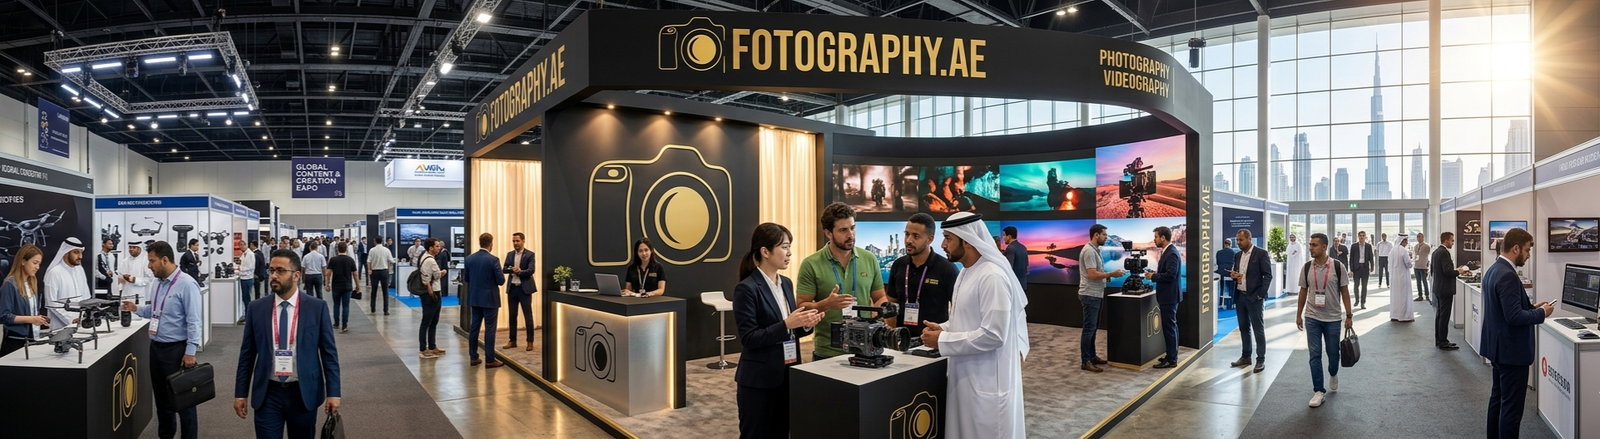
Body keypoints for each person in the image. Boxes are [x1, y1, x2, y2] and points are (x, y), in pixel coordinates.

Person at [919, 212, 1029, 438]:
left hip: (987, 380)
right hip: (966, 374)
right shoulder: (967, 272)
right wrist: (944, 329)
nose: (943, 244)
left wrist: (943, 340)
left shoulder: (992, 276)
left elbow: (994, 334)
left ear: (966, 240)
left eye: (948, 238)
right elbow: (966, 319)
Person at [233, 248, 342, 438]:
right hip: (268, 392)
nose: (274, 275)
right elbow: (247, 355)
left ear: (296, 275)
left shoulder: (317, 308)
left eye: (280, 271)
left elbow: (329, 355)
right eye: (271, 270)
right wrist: (240, 393)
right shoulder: (256, 308)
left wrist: (334, 393)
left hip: (303, 392)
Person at [732, 223, 823, 439]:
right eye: (784, 246)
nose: (789, 252)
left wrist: (807, 323)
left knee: (782, 433)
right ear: (765, 251)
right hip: (758, 381)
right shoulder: (747, 288)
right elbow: (749, 338)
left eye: (790, 246)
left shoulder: (786, 284)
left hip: (788, 374)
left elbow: (790, 332)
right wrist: (787, 324)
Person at [120, 241, 204, 439]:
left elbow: (194, 321)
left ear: (165, 260)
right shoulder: (158, 282)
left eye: (152, 261)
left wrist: (190, 351)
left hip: (177, 351)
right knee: (162, 402)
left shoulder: (187, 284)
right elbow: (154, 311)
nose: (149, 265)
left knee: (184, 402)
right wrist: (136, 309)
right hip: (156, 349)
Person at [1480, 228, 1551, 437]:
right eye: (1528, 250)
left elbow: (1508, 310)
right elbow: (1513, 317)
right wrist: (1541, 313)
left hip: (1499, 349)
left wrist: (1532, 307)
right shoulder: (1508, 275)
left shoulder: (1494, 269)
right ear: (1516, 248)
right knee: (1511, 409)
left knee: (1498, 400)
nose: (1529, 255)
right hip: (1511, 352)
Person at [796, 202, 883, 360]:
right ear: (828, 233)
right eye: (843, 230)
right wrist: (827, 304)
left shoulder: (869, 258)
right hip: (828, 351)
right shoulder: (811, 264)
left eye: (853, 228)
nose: (851, 235)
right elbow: (802, 307)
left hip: (864, 350)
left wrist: (880, 316)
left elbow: (880, 297)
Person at [1294, 233, 1354, 408]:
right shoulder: (1306, 267)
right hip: (1312, 317)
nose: (1310, 248)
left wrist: (1349, 316)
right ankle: (1319, 390)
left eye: (1314, 245)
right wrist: (1299, 314)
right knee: (1314, 354)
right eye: (1310, 244)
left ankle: (1333, 373)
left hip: (1333, 318)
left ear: (1324, 247)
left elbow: (1344, 292)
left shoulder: (1337, 266)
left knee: (1333, 353)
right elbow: (1303, 292)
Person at [886, 213, 958, 340]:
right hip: (901, 342)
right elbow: (891, 305)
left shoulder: (947, 269)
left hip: (933, 343)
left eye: (916, 236)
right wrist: (890, 337)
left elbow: (958, 311)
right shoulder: (899, 265)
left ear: (930, 239)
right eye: (907, 234)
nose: (908, 240)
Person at [1078, 224, 1126, 372]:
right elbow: (1092, 274)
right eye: (1104, 234)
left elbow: (1096, 273)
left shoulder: (1095, 250)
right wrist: (1110, 274)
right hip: (1090, 294)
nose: (1106, 237)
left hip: (1096, 293)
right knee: (1089, 329)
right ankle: (1086, 361)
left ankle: (1092, 356)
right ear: (1096, 235)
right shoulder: (1089, 252)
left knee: (1093, 328)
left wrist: (1106, 278)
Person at [1230, 229, 1273, 373]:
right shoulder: (1237, 255)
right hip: (1240, 296)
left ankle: (1260, 360)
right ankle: (1246, 356)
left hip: (1254, 297)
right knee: (1243, 328)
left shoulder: (1261, 254)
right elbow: (1237, 272)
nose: (1238, 242)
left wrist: (1261, 294)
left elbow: (1268, 275)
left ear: (1249, 239)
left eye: (1241, 240)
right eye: (1237, 240)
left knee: (1258, 330)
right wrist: (1234, 275)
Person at [463, 233, 505, 368]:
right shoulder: (493, 260)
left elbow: (467, 279)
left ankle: (473, 357)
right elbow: (501, 280)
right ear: (491, 244)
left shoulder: (469, 259)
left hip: (475, 298)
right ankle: (490, 360)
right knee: (490, 329)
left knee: (474, 328)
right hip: (490, 299)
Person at [1, 244, 47, 356]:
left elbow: (30, 312)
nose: (37, 267)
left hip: (31, 339)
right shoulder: (9, 284)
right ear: (23, 262)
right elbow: (4, 316)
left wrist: (39, 319)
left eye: (39, 264)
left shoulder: (32, 283)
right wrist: (31, 319)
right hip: (15, 342)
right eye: (35, 263)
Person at [1147, 226, 1183, 368]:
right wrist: (1154, 273)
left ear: (1163, 238)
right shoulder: (1168, 251)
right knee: (1171, 327)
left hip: (1169, 297)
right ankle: (1171, 355)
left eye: (1156, 237)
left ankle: (1172, 359)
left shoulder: (1171, 253)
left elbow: (1170, 275)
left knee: (1169, 327)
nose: (1154, 240)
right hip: (1169, 296)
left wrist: (1153, 276)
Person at [1432, 232, 1471, 351]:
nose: (1453, 243)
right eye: (1452, 241)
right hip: (1445, 289)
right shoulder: (1444, 253)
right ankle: (1443, 341)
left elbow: (1435, 270)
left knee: (1439, 315)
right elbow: (1448, 272)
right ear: (1446, 241)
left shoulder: (1436, 252)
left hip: (1438, 288)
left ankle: (1440, 340)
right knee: (1444, 316)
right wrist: (1459, 271)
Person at [43, 236, 89, 330]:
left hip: (81, 324)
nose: (80, 256)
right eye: (76, 252)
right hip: (60, 327)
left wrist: (83, 317)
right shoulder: (54, 273)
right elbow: (52, 303)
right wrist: (71, 319)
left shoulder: (80, 270)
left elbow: (85, 297)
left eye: (81, 252)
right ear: (65, 253)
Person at [503, 232, 537, 351]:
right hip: (512, 289)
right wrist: (511, 269)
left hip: (525, 289)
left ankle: (530, 341)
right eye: (513, 241)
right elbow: (504, 269)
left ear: (523, 241)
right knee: (512, 316)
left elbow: (531, 270)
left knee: (528, 316)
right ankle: (512, 340)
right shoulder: (510, 254)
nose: (515, 243)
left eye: (517, 241)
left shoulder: (530, 255)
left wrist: (519, 271)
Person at [417, 239, 445, 359]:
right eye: (437, 246)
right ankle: (423, 348)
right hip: (431, 293)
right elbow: (433, 276)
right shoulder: (429, 260)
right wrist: (442, 272)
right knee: (427, 321)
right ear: (430, 248)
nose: (439, 248)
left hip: (435, 291)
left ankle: (432, 346)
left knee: (434, 321)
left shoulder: (425, 258)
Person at [327, 243, 359, 332]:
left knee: (336, 305)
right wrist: (357, 286)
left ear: (337, 249)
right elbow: (355, 275)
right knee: (346, 306)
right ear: (346, 249)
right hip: (347, 286)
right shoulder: (350, 260)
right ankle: (344, 326)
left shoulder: (333, 260)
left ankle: (336, 323)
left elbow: (328, 273)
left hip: (336, 286)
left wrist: (327, 284)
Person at [1388, 235, 1416, 322]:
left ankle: (1395, 315)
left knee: (1395, 296)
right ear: (1402, 241)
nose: (1407, 243)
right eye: (1406, 241)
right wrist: (1413, 261)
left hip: (1394, 277)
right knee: (1404, 296)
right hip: (1403, 277)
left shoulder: (1392, 250)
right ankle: (1404, 316)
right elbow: (1408, 264)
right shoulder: (1403, 250)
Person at [367, 238, 394, 315]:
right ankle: (385, 310)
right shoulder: (386, 250)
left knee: (374, 291)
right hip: (384, 271)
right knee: (385, 291)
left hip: (374, 272)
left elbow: (369, 261)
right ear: (382, 241)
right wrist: (388, 269)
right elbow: (391, 261)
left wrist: (369, 270)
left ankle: (373, 308)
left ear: (375, 241)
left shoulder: (372, 250)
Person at [1347, 232, 1374, 309]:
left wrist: (1372, 266)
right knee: (1356, 285)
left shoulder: (1368, 246)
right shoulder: (1354, 246)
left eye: (1363, 236)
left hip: (1365, 268)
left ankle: (1363, 302)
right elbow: (1351, 258)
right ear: (1358, 237)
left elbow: (1371, 257)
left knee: (1364, 286)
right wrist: (1351, 269)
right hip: (1356, 268)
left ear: (1365, 237)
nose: (1362, 237)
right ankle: (1356, 300)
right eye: (1360, 236)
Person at [1214, 239, 1236, 307]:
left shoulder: (1219, 252)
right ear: (1230, 244)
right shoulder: (1233, 253)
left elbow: (1218, 263)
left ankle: (1220, 302)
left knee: (1221, 283)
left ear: (1224, 244)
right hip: (1228, 273)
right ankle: (1232, 301)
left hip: (1220, 272)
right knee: (1232, 283)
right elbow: (1233, 263)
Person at [1412, 235, 1431, 303]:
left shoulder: (1427, 246)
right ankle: (1420, 295)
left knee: (1424, 281)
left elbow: (1429, 253)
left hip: (1423, 266)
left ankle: (1427, 295)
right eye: (1418, 237)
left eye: (1420, 237)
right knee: (1418, 282)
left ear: (1423, 237)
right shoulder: (1415, 246)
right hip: (1416, 266)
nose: (1419, 238)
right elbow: (1415, 255)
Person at [239, 240, 257, 310]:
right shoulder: (244, 254)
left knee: (247, 298)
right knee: (245, 298)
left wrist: (240, 268)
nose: (241, 247)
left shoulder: (250, 254)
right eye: (240, 245)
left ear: (246, 245)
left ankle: (248, 315)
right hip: (243, 277)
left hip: (248, 278)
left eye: (242, 245)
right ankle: (247, 314)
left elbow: (251, 267)